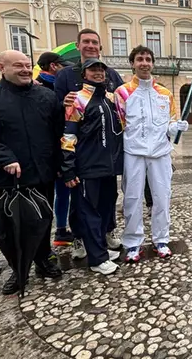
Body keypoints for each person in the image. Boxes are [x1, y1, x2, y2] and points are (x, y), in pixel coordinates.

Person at [0, 50, 63, 294]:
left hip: (43, 171)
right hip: (11, 176)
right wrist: (3, 156)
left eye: (27, 65)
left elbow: (59, 132)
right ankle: (19, 269)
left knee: (43, 218)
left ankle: (43, 258)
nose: (25, 70)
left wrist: (62, 165)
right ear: (2, 68)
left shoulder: (46, 96)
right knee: (14, 226)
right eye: (18, 65)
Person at [54, 29, 124, 256]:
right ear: (78, 45)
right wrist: (63, 104)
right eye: (86, 41)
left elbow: (122, 105)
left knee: (108, 197)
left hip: (107, 153)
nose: (91, 45)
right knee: (81, 201)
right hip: (83, 152)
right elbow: (55, 109)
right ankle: (79, 238)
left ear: (100, 47)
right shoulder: (66, 75)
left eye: (95, 42)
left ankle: (106, 232)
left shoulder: (111, 74)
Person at [115, 45, 188, 262]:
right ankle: (133, 243)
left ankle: (161, 240)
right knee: (132, 198)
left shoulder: (165, 93)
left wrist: (176, 128)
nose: (144, 63)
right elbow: (119, 124)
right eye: (140, 59)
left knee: (162, 197)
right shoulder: (122, 92)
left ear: (152, 63)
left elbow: (170, 122)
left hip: (160, 153)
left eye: (148, 59)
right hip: (133, 152)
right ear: (132, 63)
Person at [35, 51, 76, 247]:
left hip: (55, 148)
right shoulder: (42, 88)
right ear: (53, 66)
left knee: (62, 192)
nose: (64, 70)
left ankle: (60, 230)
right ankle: (55, 232)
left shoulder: (45, 85)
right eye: (62, 66)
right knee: (56, 193)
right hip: (52, 149)